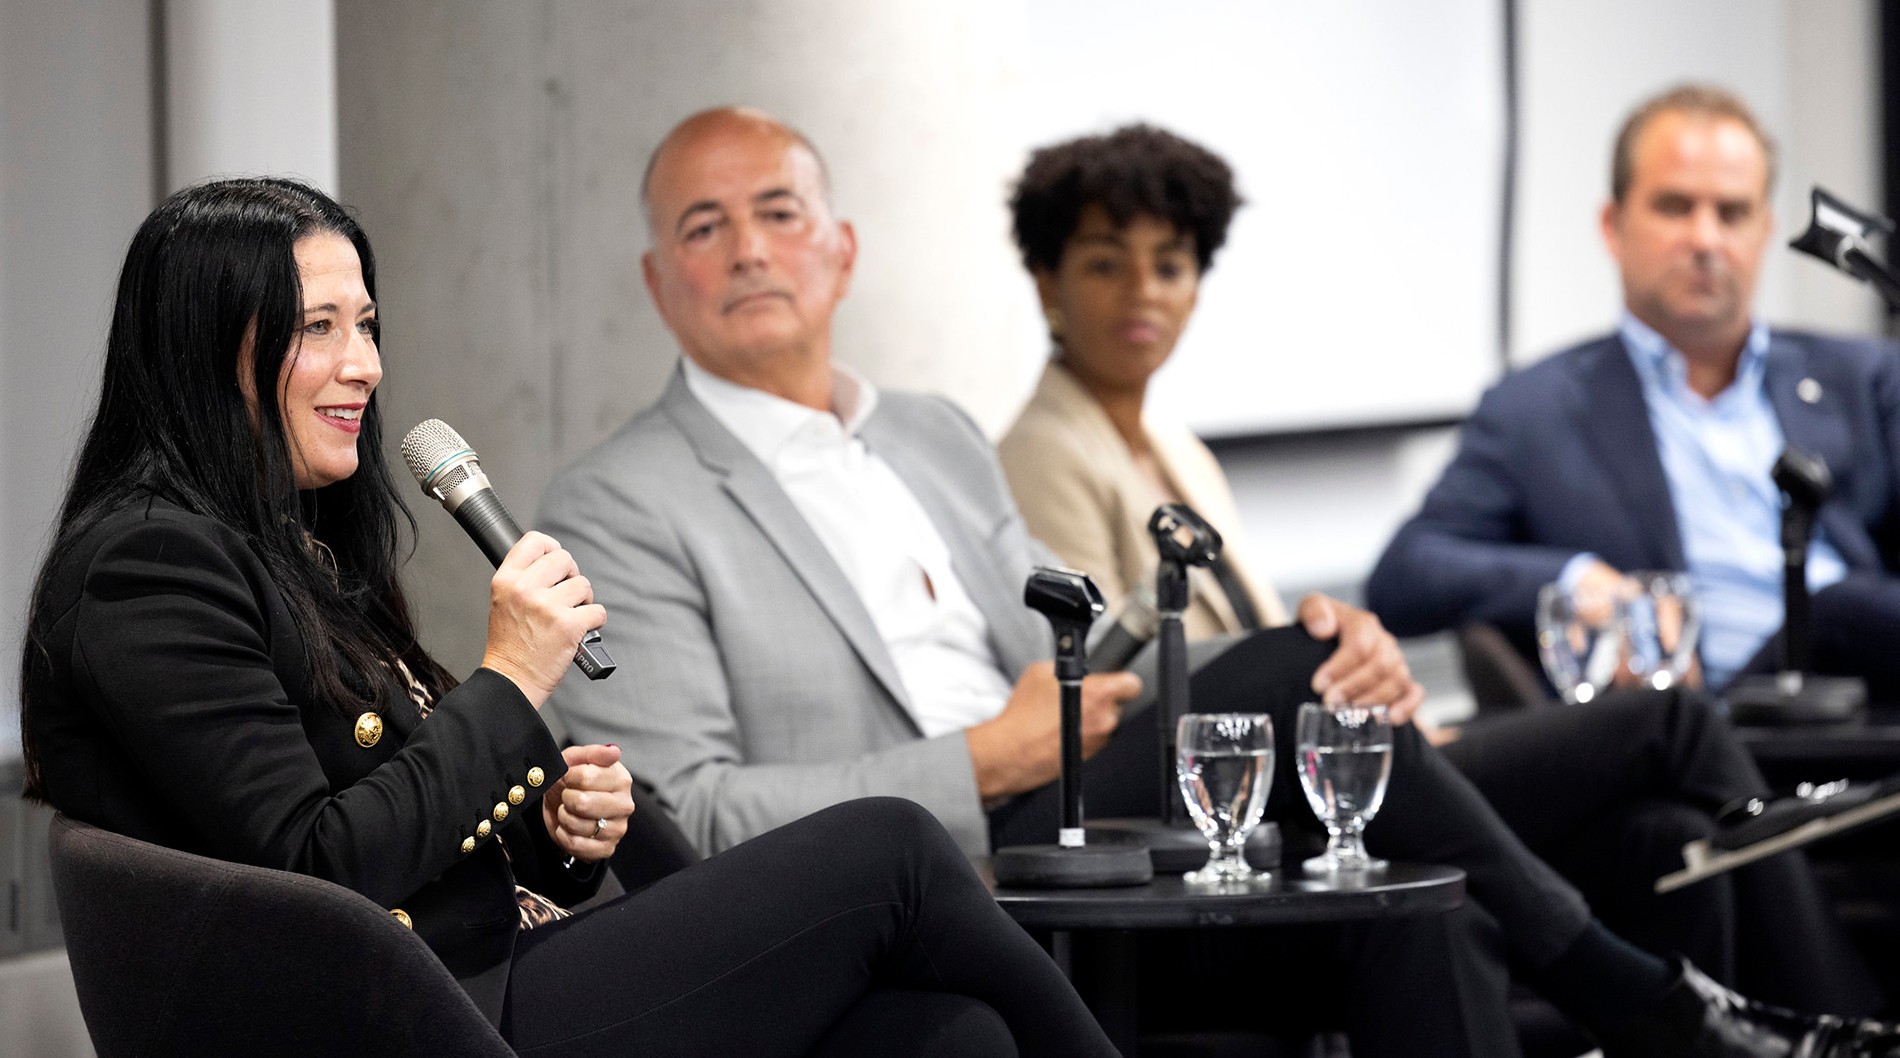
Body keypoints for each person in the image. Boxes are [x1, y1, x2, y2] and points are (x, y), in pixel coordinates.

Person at [540, 105, 1900, 1056]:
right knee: (1337, 695)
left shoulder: (930, 434)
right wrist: (978, 756)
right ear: (661, 284)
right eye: (705, 230)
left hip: (1110, 812)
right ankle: (1641, 996)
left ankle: (1659, 997)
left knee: (1406, 889)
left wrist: (1312, 655)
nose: (750, 250)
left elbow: (1105, 638)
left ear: (840, 250)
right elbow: (690, 819)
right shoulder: (618, 499)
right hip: (955, 856)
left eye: (779, 213)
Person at [16, 177, 1121, 1058]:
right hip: (402, 1019)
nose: (366, 364)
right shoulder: (146, 563)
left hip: (480, 974)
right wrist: (508, 678)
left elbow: (396, 816)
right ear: (208, 349)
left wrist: (556, 836)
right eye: (317, 327)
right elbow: (325, 862)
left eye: (367, 321)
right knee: (891, 843)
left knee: (946, 1035)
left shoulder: (283, 540)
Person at [994, 122, 1882, 1016]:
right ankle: (1825, 1021)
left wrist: (1370, 681)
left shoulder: (1172, 446)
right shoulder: (1046, 454)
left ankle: (1737, 1028)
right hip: (1263, 808)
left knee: (1668, 834)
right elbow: (1119, 693)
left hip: (1340, 761)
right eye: (1107, 264)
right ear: (1048, 281)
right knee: (1674, 725)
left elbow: (1263, 644)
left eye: (1172, 265)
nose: (1143, 292)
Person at [1365, 83, 1900, 703]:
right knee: (1834, 606)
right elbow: (1406, 573)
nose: (1705, 240)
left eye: (1731, 213)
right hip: (1706, 730)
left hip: (1871, 712)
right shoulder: (1534, 411)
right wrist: (1575, 581)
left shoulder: (1862, 378)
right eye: (1675, 207)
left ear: (1764, 231)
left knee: (1844, 607)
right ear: (1613, 225)